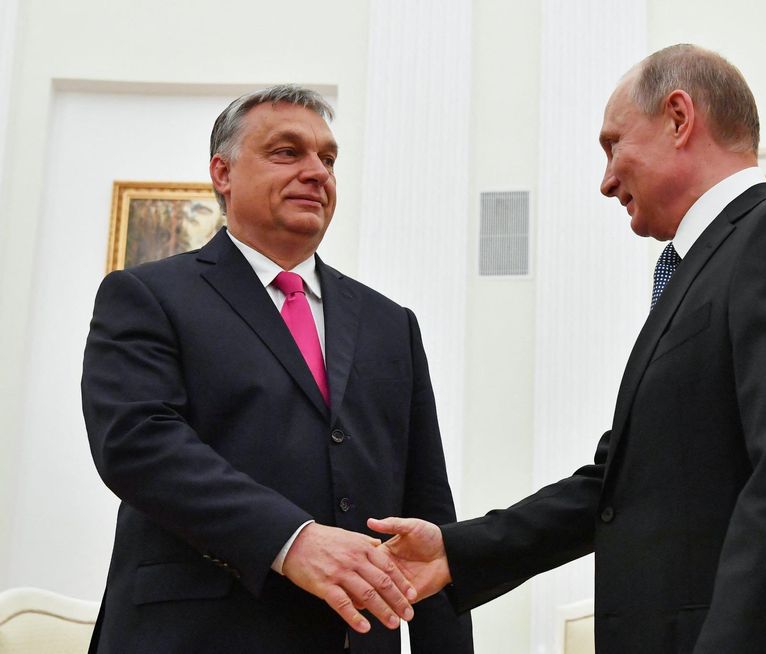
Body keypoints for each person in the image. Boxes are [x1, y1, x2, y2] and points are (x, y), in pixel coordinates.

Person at [370, 45, 766, 653]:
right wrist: (456, 550)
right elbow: (619, 485)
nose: (605, 181)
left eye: (613, 144)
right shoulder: (695, 271)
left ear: (679, 118)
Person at [81, 85, 473, 653]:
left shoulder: (392, 323)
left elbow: (427, 506)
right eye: (288, 152)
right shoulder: (148, 295)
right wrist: (290, 540)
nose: (317, 172)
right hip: (196, 634)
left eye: (328, 158)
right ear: (223, 173)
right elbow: (138, 444)